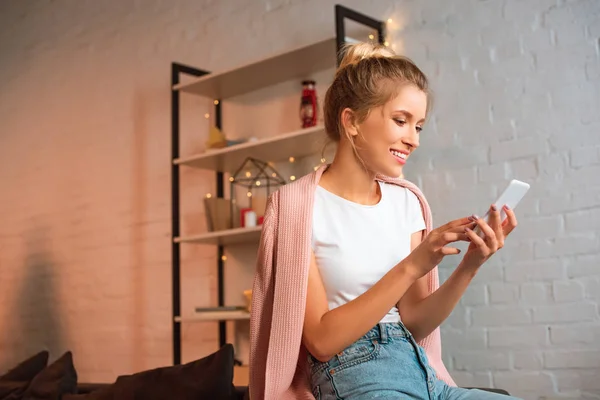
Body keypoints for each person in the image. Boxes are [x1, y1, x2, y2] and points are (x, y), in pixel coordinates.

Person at [248, 42, 522, 400]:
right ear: (352, 121)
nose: (413, 139)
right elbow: (321, 340)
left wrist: (471, 264)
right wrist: (412, 265)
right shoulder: (296, 206)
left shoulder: (407, 201)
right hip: (353, 373)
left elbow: (414, 321)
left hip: (420, 371)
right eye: (401, 120)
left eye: (419, 127)